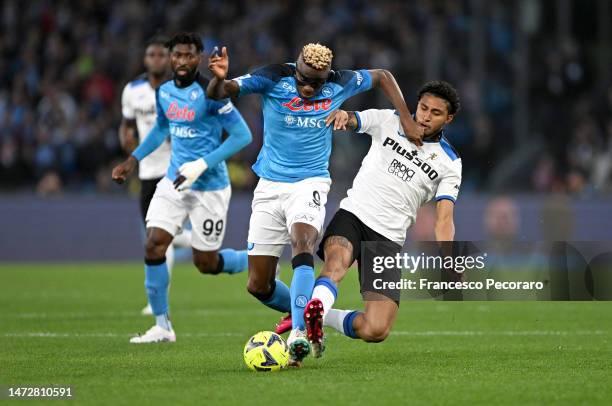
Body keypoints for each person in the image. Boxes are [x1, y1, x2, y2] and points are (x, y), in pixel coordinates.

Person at [207, 42, 424, 365]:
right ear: (295, 69)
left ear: (327, 78)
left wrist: (406, 119)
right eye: (303, 79)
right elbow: (220, 92)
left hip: (310, 183)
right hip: (269, 185)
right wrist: (218, 78)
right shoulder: (272, 78)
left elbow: (381, 76)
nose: (308, 87)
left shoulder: (340, 81)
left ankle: (298, 333)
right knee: (258, 285)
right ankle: (312, 311)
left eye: (316, 83)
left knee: (303, 240)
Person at [112, 33, 252, 343]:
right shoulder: (163, 92)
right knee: (154, 244)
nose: (181, 61)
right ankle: (162, 326)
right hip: (173, 182)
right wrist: (132, 160)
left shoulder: (213, 92)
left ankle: (256, 261)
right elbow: (162, 127)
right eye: (177, 55)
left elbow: (243, 136)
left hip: (210, 187)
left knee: (207, 263)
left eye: (189, 55)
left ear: (199, 57)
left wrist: (203, 164)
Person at [304, 81, 462, 356]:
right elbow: (354, 119)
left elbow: (444, 218)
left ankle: (317, 314)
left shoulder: (449, 162)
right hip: (353, 215)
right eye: (423, 107)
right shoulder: (388, 120)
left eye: (435, 113)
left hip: (387, 240)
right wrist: (344, 116)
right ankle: (309, 318)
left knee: (376, 329)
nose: (425, 115)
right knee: (337, 265)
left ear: (448, 119)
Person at [119, 35, 192, 316]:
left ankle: (157, 302)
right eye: (153, 55)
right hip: (148, 171)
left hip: (176, 169)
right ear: (145, 58)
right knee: (161, 235)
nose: (158, 59)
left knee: (156, 236)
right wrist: (128, 145)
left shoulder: (181, 89)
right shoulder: (132, 90)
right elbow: (126, 126)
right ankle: (195, 240)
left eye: (163, 55)